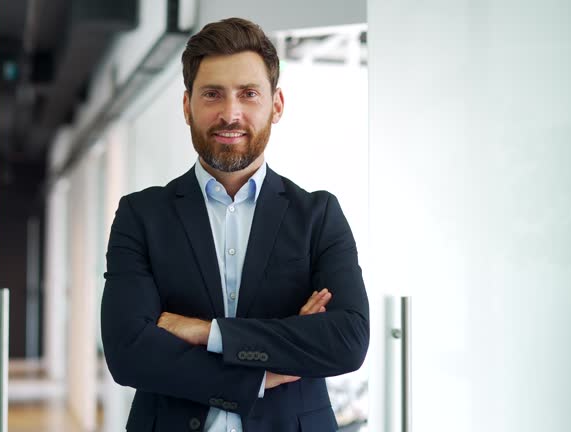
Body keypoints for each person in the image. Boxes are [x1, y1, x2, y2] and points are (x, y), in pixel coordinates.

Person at [100, 17, 369, 432]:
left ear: (276, 105)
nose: (231, 113)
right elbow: (128, 351)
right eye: (212, 95)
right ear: (187, 105)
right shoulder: (141, 216)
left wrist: (207, 333)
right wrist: (262, 372)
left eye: (248, 94)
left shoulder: (319, 216)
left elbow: (347, 341)